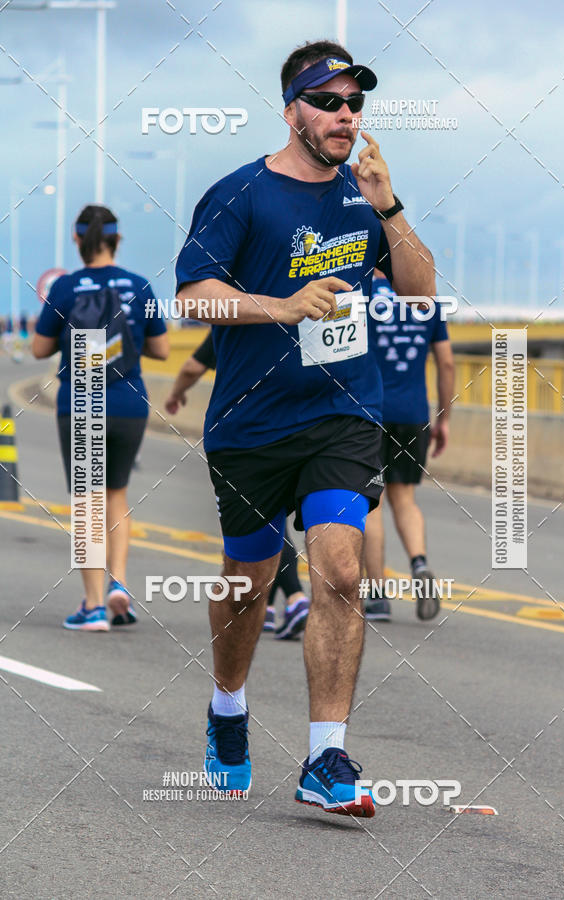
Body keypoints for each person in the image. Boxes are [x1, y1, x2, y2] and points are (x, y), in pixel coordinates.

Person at [175, 40, 435, 817]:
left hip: (343, 416)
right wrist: (283, 307)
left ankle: (325, 757)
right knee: (247, 588)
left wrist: (389, 206)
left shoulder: (363, 198)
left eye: (354, 103)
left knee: (342, 572)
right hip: (251, 426)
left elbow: (420, 294)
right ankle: (228, 711)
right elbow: (195, 294)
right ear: (292, 109)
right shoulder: (240, 193)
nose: (344, 116)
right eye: (327, 102)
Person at [32, 204, 169, 631]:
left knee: (87, 502)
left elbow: (38, 349)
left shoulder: (67, 288)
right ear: (117, 238)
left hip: (81, 401)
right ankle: (119, 585)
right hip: (130, 404)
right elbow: (162, 349)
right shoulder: (139, 286)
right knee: (117, 497)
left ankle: (92, 606)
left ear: (78, 239)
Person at [165, 330, 311, 639]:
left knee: (263, 523)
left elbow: (193, 366)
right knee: (273, 522)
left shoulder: (235, 320)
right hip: (303, 424)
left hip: (250, 435)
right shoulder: (294, 321)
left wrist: (175, 393)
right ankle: (270, 608)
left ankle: (295, 598)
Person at [363, 270, 454, 622]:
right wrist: (443, 418)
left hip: (371, 412)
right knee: (405, 499)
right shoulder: (425, 297)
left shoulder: (364, 291)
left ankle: (377, 596)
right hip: (414, 415)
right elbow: (446, 363)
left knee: (372, 502)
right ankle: (419, 563)